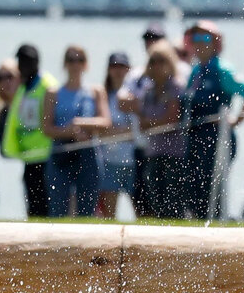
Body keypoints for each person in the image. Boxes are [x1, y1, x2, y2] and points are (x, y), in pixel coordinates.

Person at [181, 21, 244, 221]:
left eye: (205, 38)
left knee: (213, 189)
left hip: (217, 140)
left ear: (216, 42)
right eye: (195, 38)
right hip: (194, 139)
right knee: (194, 190)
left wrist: (235, 120)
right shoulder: (195, 71)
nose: (199, 43)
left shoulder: (223, 70)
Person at [41, 45, 106, 218]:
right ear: (65, 63)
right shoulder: (53, 92)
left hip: (88, 153)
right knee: (58, 209)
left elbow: (105, 121)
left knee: (87, 211)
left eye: (80, 60)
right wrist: (69, 132)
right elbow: (46, 128)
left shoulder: (95, 91)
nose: (75, 64)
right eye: (71, 59)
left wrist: (81, 123)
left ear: (86, 64)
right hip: (61, 152)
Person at [130, 42, 186, 219]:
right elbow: (142, 124)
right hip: (153, 151)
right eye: (153, 61)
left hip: (174, 154)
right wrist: (154, 123)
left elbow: (171, 119)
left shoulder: (176, 86)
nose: (157, 65)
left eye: (161, 60)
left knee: (173, 203)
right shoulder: (148, 90)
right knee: (155, 200)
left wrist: (151, 122)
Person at [1, 44, 56, 218]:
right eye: (20, 61)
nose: (22, 65)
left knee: (47, 208)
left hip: (47, 158)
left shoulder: (48, 85)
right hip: (29, 158)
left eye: (26, 61)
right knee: (33, 210)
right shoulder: (23, 87)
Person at [97, 52, 136, 219]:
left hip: (134, 160)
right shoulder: (103, 95)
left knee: (142, 213)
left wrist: (114, 131)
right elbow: (102, 129)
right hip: (110, 161)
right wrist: (123, 131)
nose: (118, 70)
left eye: (122, 66)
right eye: (114, 66)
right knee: (108, 216)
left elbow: (137, 129)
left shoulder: (135, 93)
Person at [0, 57, 18, 148]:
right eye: (0, 78)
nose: (5, 82)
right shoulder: (1, 114)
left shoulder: (33, 104)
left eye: (9, 76)